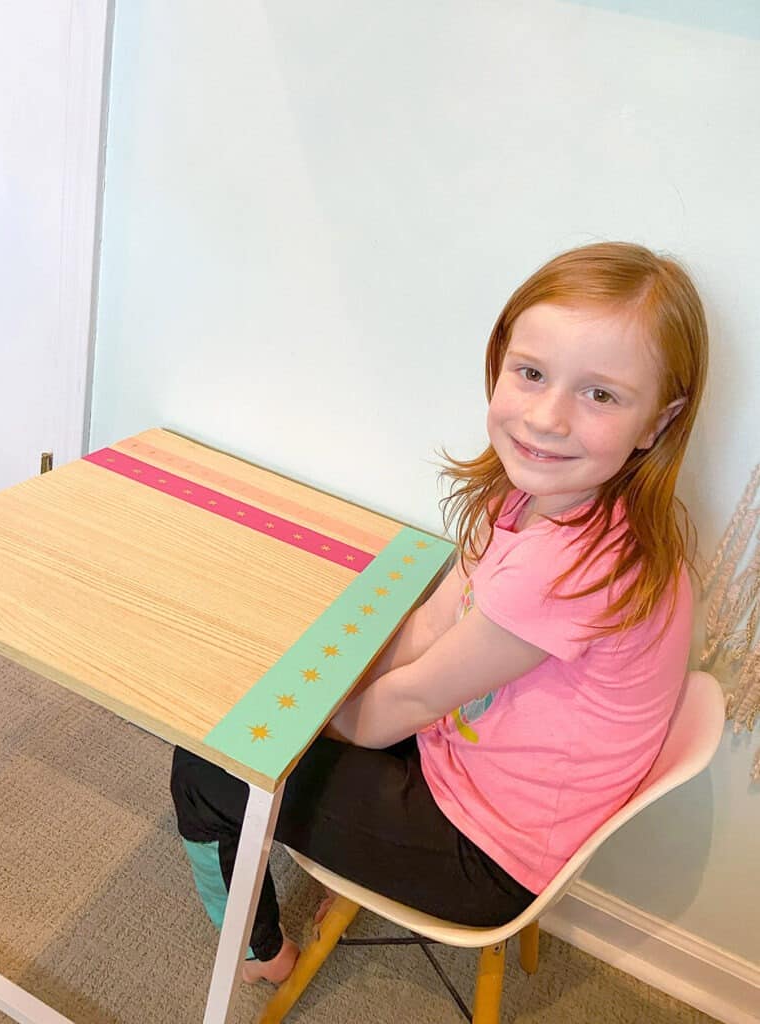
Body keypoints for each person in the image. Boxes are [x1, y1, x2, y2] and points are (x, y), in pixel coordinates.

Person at [170, 241, 708, 984]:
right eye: (530, 374)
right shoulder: (534, 496)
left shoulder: (571, 566)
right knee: (304, 672)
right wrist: (317, 694)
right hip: (480, 763)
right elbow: (433, 624)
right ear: (498, 364)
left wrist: (288, 721)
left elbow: (409, 701)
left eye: (600, 395)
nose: (546, 418)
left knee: (208, 764)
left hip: (486, 853)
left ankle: (261, 955)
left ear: (657, 420)